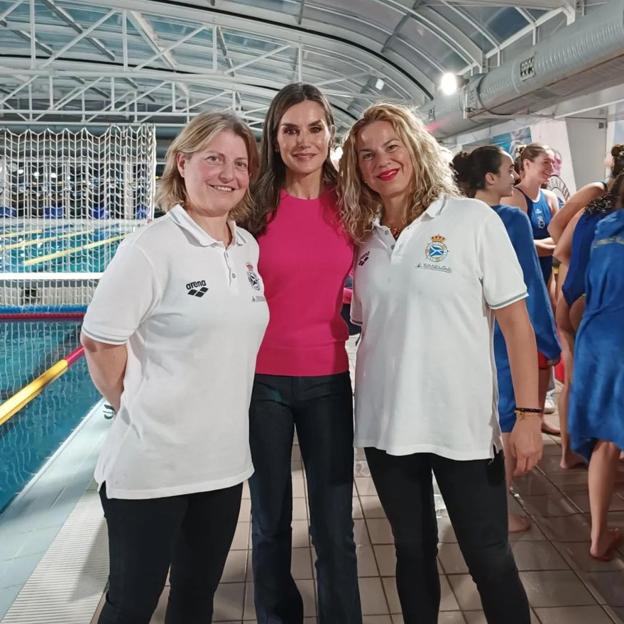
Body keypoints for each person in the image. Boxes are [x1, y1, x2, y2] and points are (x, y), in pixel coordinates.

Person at [338, 103, 542, 624]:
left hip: (463, 427)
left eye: (392, 146)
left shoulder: (472, 220)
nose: (382, 161)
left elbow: (518, 326)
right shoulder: (365, 241)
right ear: (357, 169)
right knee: (412, 555)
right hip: (388, 428)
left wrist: (528, 417)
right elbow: (370, 325)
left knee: (490, 558)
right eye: (367, 155)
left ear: (415, 149)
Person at [81, 112, 268, 624]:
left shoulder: (247, 247)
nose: (227, 174)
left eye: (239, 163)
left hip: (223, 467)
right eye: (213, 159)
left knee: (194, 597)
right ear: (182, 163)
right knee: (131, 605)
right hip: (151, 468)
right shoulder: (150, 248)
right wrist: (134, 404)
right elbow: (99, 342)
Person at [242, 83, 362, 624]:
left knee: (334, 523)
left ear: (331, 134)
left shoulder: (353, 204)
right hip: (260, 381)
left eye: (315, 128)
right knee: (269, 522)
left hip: (329, 378)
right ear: (274, 136)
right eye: (290, 129)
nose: (304, 140)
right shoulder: (253, 205)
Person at [452, 146, 561, 533]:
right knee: (507, 423)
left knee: (484, 419)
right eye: (508, 168)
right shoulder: (511, 220)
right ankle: (498, 512)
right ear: (490, 179)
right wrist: (547, 340)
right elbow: (529, 284)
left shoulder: (454, 218)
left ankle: (474, 505)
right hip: (506, 332)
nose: (513, 173)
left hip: (470, 332)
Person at [549, 144, 624, 469]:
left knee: (575, 378)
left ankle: (570, 453)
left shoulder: (592, 207)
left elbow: (560, 248)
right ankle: (604, 451)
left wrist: (572, 279)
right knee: (601, 382)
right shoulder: (609, 209)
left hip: (571, 294)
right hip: (595, 303)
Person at [568, 172, 624, 561]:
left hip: (595, 335)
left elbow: (581, 281)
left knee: (606, 440)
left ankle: (598, 535)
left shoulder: (603, 226)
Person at [504, 142, 560, 434]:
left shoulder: (550, 198)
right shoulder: (515, 198)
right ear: (526, 164)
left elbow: (560, 240)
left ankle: (536, 416)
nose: (551, 169)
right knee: (523, 349)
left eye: (552, 163)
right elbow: (523, 248)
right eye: (545, 163)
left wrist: (546, 245)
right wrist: (548, 245)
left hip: (546, 281)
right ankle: (520, 413)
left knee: (545, 353)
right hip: (523, 287)